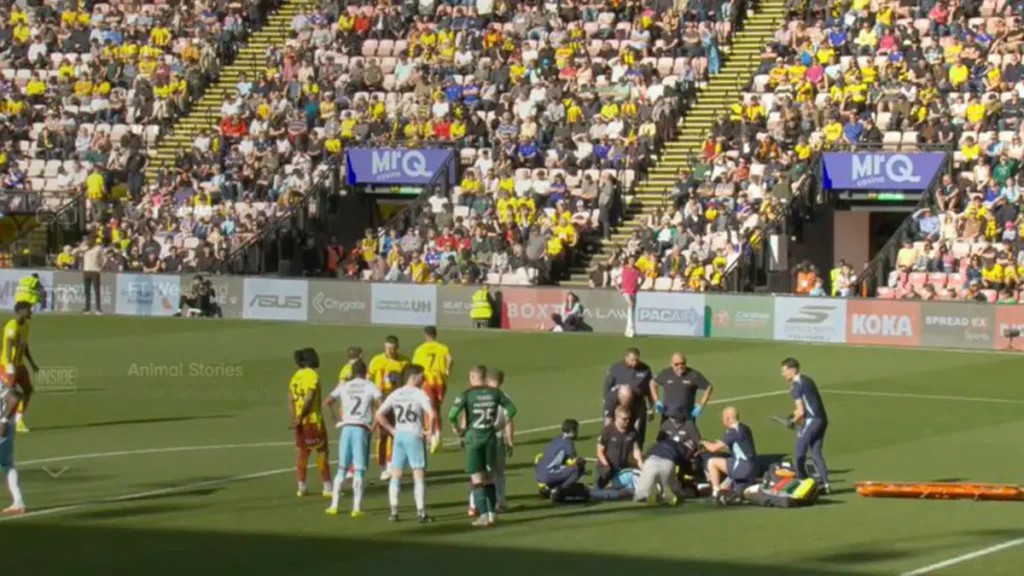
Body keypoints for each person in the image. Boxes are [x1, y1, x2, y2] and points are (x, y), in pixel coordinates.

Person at [449, 365, 518, 527]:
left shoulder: (467, 394)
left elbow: (452, 415)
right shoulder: (496, 393)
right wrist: (500, 425)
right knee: (489, 477)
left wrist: (457, 428)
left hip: (474, 439)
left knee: (477, 479)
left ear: (473, 376)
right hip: (491, 437)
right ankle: (493, 513)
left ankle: (484, 515)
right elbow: (512, 410)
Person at [374, 364, 436, 524]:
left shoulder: (396, 393)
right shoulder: (419, 394)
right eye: (421, 376)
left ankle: (394, 511)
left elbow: (379, 414)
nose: (423, 379)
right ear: (414, 377)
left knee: (396, 474)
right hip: (414, 435)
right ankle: (421, 512)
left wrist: (391, 430)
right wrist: (429, 431)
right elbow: (432, 413)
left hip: (399, 436)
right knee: (418, 473)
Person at [324, 360, 381, 517]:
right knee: (359, 470)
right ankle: (356, 508)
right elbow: (380, 404)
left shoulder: (344, 386)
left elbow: (328, 402)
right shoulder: (370, 385)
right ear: (366, 371)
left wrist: (337, 420)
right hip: (361, 429)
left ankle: (333, 506)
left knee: (342, 469)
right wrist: (374, 425)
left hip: (346, 428)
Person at [287, 347, 332, 498]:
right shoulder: (312, 375)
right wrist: (302, 416)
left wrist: (295, 417)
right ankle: (326, 486)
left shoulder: (295, 376)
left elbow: (291, 398)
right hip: (313, 420)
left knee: (303, 453)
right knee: (322, 452)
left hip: (300, 421)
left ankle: (301, 486)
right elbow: (310, 396)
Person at [781, 357, 830, 493]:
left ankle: (802, 481)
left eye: (784, 371)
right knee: (816, 453)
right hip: (822, 419)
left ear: (792, 369)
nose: (783, 374)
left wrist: (792, 421)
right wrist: (794, 417)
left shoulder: (796, 385)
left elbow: (801, 411)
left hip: (812, 420)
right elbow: (807, 405)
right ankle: (826, 485)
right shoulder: (808, 379)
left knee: (799, 451)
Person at [469, 369, 514, 516]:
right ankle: (499, 503)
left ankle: (474, 504)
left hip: (477, 437)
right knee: (498, 474)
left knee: (478, 473)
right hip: (496, 438)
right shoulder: (503, 396)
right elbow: (509, 419)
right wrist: (510, 440)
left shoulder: (476, 395)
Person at [368, 336, 409, 480]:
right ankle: (382, 467)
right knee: (382, 435)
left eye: (393, 348)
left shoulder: (404, 361)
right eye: (388, 348)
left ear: (397, 347)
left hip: (398, 401)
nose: (390, 351)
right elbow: (368, 379)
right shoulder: (376, 360)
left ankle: (392, 463)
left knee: (396, 433)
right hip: (381, 400)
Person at [633, 421, 699, 505]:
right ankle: (668, 492)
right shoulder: (684, 449)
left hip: (650, 461)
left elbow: (647, 453)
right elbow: (684, 466)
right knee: (674, 489)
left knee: (640, 495)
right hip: (667, 462)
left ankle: (651, 493)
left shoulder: (662, 443)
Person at [701, 406, 758, 504]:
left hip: (742, 468)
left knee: (712, 462)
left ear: (727, 418)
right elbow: (739, 444)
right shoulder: (745, 428)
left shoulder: (730, 432)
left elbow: (713, 448)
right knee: (724, 486)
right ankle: (725, 489)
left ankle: (715, 492)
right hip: (753, 467)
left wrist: (702, 442)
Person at [603, 347, 657, 448]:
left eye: (637, 360)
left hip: (638, 405)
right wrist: (606, 400)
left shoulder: (645, 369)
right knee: (616, 429)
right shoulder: (616, 368)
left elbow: (650, 389)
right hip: (619, 404)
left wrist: (651, 407)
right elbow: (608, 386)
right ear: (626, 357)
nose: (634, 363)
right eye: (632, 360)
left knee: (638, 431)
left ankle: (636, 455)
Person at [654, 353, 714, 442]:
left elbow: (709, 387)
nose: (680, 366)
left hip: (687, 419)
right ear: (671, 364)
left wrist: (701, 406)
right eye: (676, 364)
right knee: (661, 442)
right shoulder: (665, 373)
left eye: (682, 363)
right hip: (667, 417)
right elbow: (653, 384)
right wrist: (656, 401)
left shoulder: (693, 375)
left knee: (691, 443)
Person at [411, 326, 452, 444]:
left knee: (429, 409)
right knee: (437, 408)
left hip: (428, 381)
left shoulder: (420, 349)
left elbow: (415, 367)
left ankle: (433, 436)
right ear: (435, 335)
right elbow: (450, 358)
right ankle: (437, 434)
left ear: (425, 335)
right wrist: (448, 370)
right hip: (441, 382)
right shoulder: (442, 347)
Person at [1, 302, 37, 434]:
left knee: (28, 390)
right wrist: (10, 365)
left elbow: (24, 345)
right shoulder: (12, 326)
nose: (31, 312)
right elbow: (9, 345)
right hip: (7, 365)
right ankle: (4, 420)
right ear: (21, 311)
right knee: (11, 395)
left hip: (19, 364)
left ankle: (18, 420)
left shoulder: (26, 325)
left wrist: (32, 363)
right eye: (29, 310)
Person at [534, 419, 587, 502]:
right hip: (549, 473)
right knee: (578, 468)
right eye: (576, 430)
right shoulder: (568, 443)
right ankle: (559, 491)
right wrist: (581, 461)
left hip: (539, 474)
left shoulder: (556, 439)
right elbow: (573, 461)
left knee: (563, 469)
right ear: (572, 431)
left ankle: (548, 489)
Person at [595, 405, 644, 489]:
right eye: (624, 419)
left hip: (623, 466)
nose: (627, 421)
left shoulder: (632, 432)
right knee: (602, 487)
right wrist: (606, 465)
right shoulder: (607, 431)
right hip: (608, 465)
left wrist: (641, 464)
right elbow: (599, 451)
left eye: (629, 418)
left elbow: (636, 450)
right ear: (617, 417)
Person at [0, 385, 24, 514]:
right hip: (6, 430)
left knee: (7, 464)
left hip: (2, 430)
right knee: (7, 464)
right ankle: (18, 502)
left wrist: (3, 420)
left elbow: (15, 396)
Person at [82, 241, 105, 314]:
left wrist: (100, 267)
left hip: (95, 271)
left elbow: (104, 258)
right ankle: (87, 308)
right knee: (87, 291)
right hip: (86, 270)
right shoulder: (85, 248)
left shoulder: (98, 248)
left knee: (96, 290)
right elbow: (74, 253)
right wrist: (82, 245)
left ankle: (98, 309)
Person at [620, 255, 641, 337]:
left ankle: (629, 330)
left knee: (632, 309)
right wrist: (620, 288)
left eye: (633, 260)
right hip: (625, 291)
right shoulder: (624, 268)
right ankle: (631, 329)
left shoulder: (637, 270)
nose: (632, 262)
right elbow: (614, 277)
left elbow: (643, 278)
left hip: (633, 291)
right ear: (628, 261)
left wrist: (639, 286)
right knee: (630, 304)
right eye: (631, 260)